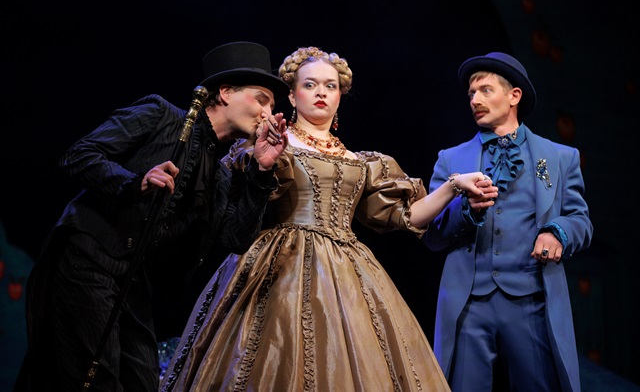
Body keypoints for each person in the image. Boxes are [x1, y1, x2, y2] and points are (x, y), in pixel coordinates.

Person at [159, 46, 492, 392]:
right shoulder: (273, 144)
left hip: (348, 271)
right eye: (310, 84)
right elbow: (238, 200)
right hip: (280, 264)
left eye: (330, 86)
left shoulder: (361, 160)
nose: (321, 92)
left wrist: (454, 186)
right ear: (292, 95)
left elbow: (407, 215)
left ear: (340, 96)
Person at [14, 41, 291, 392]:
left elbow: (236, 238)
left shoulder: (220, 175)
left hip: (134, 285)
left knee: (143, 383)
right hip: (89, 259)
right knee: (95, 380)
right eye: (261, 100)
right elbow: (80, 154)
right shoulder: (160, 115)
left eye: (272, 106)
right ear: (224, 92)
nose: (268, 113)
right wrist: (134, 183)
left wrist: (262, 172)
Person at [422, 52, 593, 391]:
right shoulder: (451, 160)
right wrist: (467, 211)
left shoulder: (560, 158)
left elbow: (580, 220)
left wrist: (557, 232)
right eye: (471, 93)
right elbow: (432, 233)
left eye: (485, 90)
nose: (475, 100)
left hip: (531, 299)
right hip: (470, 301)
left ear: (514, 96)